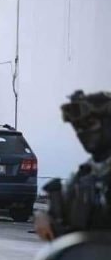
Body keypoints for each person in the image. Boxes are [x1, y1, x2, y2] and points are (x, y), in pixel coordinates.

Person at [35, 91, 111, 240]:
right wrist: (44, 218)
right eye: (78, 127)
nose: (82, 132)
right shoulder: (85, 174)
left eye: (90, 124)